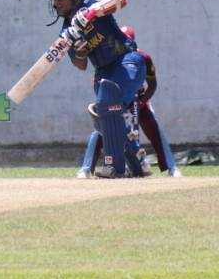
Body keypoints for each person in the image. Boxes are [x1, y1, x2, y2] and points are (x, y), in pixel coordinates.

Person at [46, 0, 146, 179]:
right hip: (103, 72)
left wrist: (89, 14)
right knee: (104, 115)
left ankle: (114, 167)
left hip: (127, 60)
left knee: (107, 104)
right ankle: (137, 166)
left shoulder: (94, 4)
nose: (58, 3)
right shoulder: (66, 33)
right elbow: (80, 65)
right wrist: (81, 52)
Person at [78, 26, 182, 178]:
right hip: (114, 101)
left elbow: (152, 84)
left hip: (138, 99)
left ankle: (171, 168)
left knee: (153, 128)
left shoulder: (142, 57)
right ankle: (86, 169)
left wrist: (142, 100)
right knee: (102, 129)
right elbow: (100, 84)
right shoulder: (107, 57)